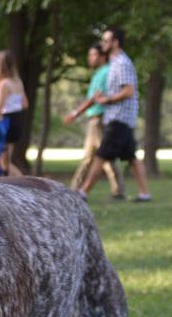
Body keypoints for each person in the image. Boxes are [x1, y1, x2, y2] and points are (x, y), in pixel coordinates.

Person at [79, 26, 152, 202]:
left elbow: (129, 90)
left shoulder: (122, 63)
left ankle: (82, 192)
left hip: (119, 117)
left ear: (115, 43)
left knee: (101, 155)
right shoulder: (114, 63)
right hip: (121, 118)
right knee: (132, 158)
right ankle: (144, 194)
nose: (102, 43)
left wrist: (107, 100)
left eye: (106, 40)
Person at [62, 43, 125, 198]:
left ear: (103, 56)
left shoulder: (105, 72)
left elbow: (94, 98)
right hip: (94, 119)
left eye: (94, 55)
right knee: (94, 157)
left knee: (103, 157)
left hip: (99, 119)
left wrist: (76, 113)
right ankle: (75, 189)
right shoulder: (99, 73)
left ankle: (117, 191)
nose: (90, 58)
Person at [0, 50, 29, 173]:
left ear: (1, 65)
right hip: (16, 121)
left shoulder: (4, 84)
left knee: (2, 163)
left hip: (5, 123)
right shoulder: (18, 82)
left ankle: (24, 183)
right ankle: (21, 184)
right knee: (6, 162)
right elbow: (25, 104)